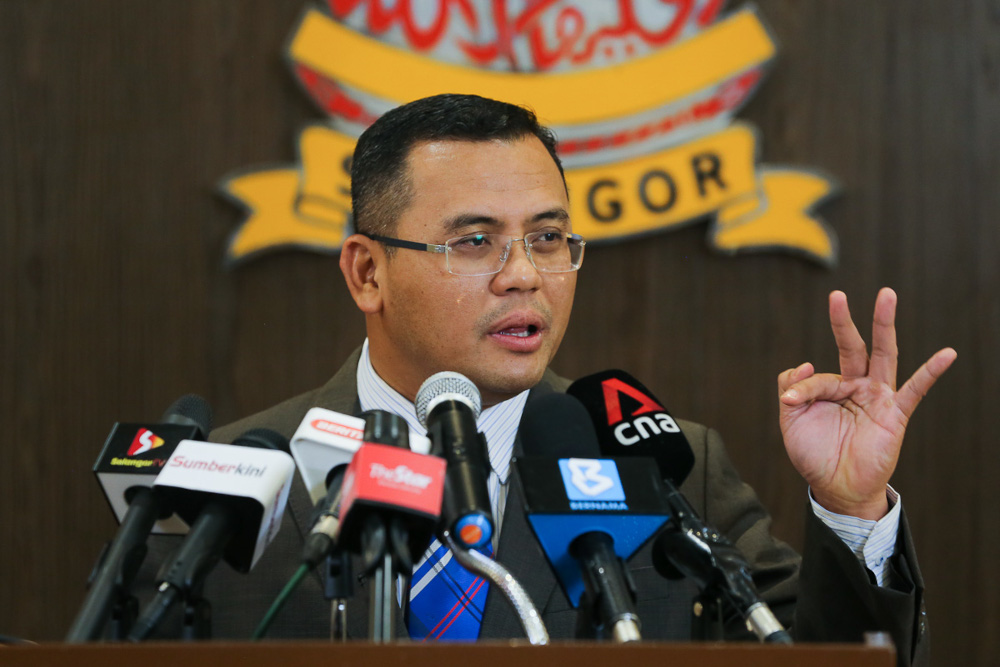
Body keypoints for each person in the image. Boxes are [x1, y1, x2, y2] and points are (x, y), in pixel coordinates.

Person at [141, 94, 955, 664]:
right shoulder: (229, 482)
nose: (525, 275)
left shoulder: (669, 472)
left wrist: (851, 511)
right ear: (366, 273)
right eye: (475, 241)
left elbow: (824, 662)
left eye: (550, 237)